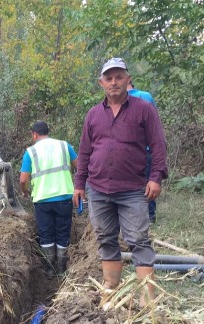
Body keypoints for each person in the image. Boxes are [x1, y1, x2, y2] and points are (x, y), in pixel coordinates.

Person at [72, 58, 168, 303]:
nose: (114, 82)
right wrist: (79, 184)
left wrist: (155, 177)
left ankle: (147, 296)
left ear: (128, 79)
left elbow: (158, 145)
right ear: (101, 83)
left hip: (133, 188)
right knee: (105, 237)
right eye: (108, 78)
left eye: (118, 77)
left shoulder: (143, 109)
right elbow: (84, 152)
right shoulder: (93, 115)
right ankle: (110, 286)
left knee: (138, 239)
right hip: (98, 188)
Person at [19, 120, 78, 275]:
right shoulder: (65, 146)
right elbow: (79, 165)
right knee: (63, 232)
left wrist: (24, 191)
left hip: (42, 200)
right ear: (48, 131)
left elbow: (23, 179)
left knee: (46, 234)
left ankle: (49, 269)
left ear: (34, 134)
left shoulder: (30, 152)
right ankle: (62, 268)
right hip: (64, 196)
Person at [127, 80, 158, 223]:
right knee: (148, 183)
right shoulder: (146, 96)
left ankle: (134, 216)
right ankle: (150, 216)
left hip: (130, 151)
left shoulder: (115, 99)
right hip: (147, 150)